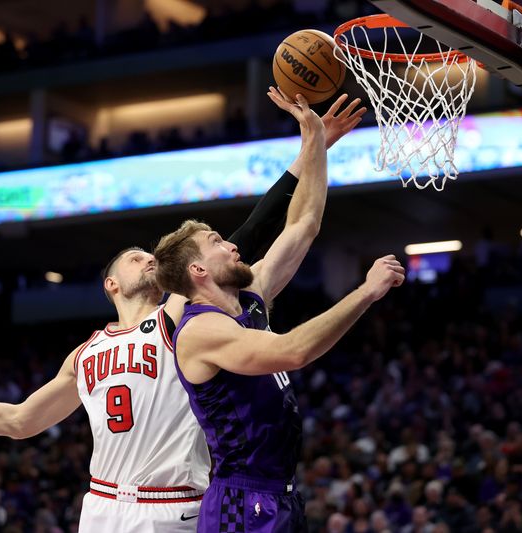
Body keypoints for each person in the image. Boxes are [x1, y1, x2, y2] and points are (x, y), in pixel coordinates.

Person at [0, 88, 366, 533]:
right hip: (101, 508)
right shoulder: (85, 355)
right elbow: (19, 422)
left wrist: (309, 154)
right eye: (136, 257)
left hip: (174, 506)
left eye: (153, 256)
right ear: (112, 284)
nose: (149, 259)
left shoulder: (176, 316)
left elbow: (251, 231)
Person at [153, 93, 403, 532]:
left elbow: (304, 222)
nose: (232, 244)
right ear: (197, 271)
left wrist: (316, 143)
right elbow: (293, 351)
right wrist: (364, 292)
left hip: (279, 492)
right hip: (241, 499)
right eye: (217, 242)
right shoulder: (200, 331)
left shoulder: (249, 296)